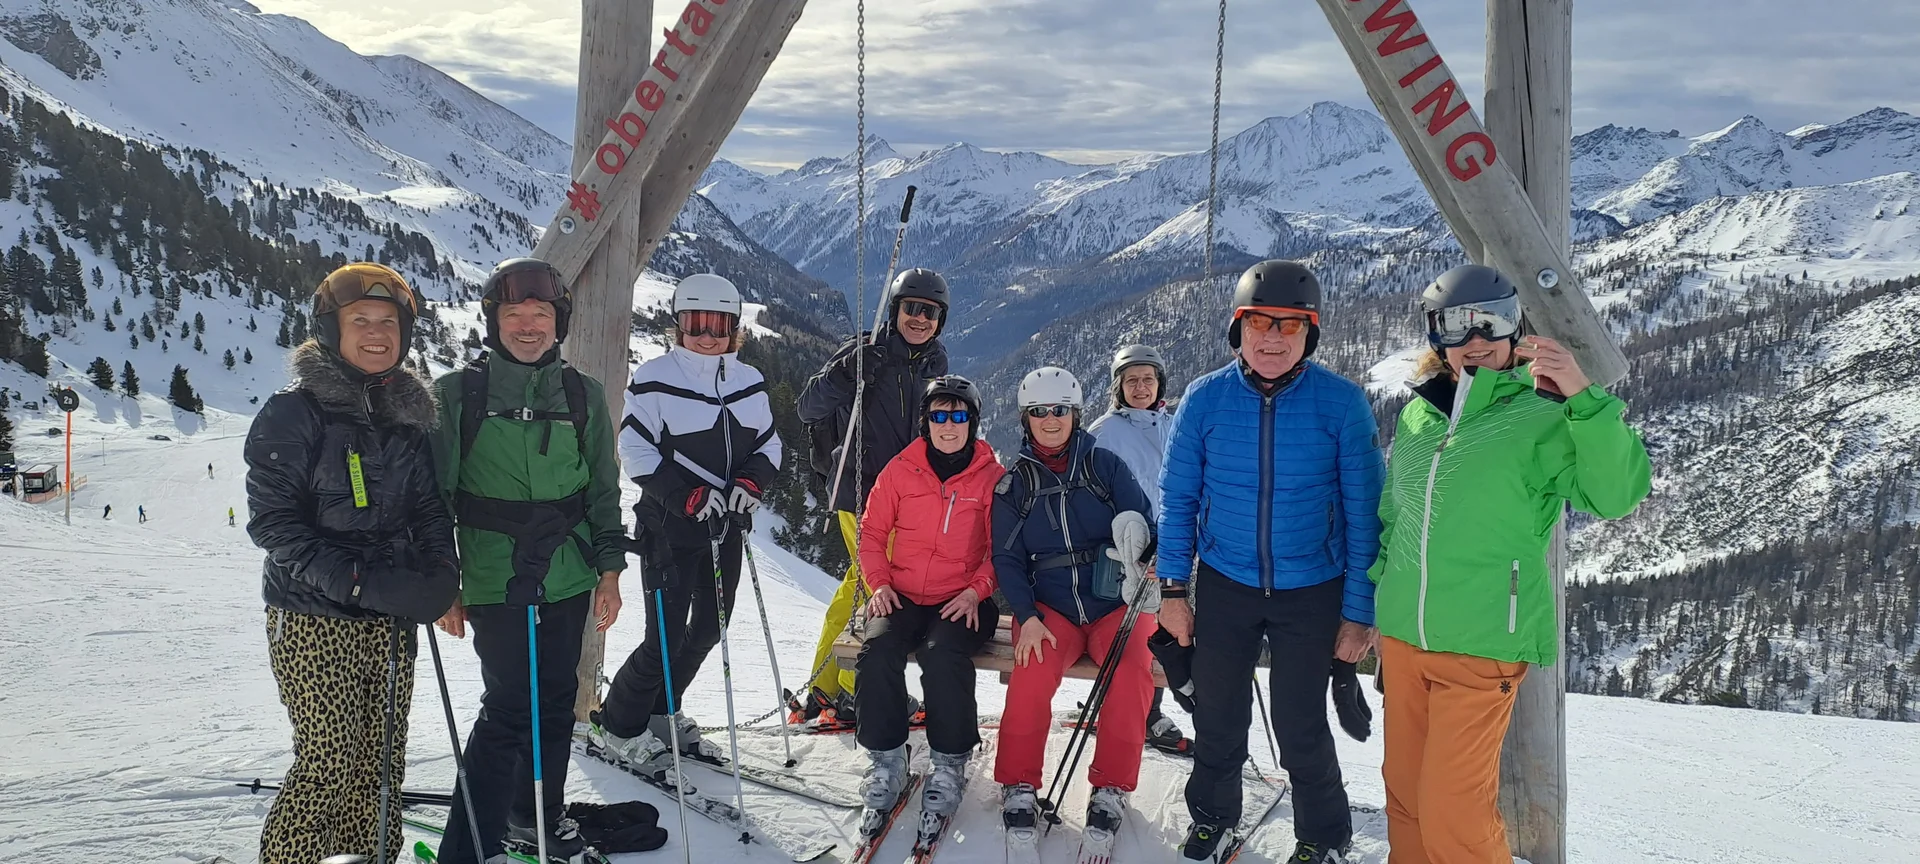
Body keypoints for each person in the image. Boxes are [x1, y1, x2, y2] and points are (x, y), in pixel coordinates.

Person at [1371, 265, 1649, 864]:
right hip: (1401, 638)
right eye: (1455, 327)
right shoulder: (1421, 414)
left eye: (1490, 322)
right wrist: (1379, 599)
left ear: (1515, 323)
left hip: (1482, 641)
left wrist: (1583, 398)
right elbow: (1395, 517)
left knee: (1455, 812)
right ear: (1436, 337)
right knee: (1406, 799)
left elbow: (1616, 495)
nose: (1475, 340)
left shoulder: (1544, 411)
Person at [1157, 259, 1384, 864]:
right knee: (1219, 717)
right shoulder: (1205, 400)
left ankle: (1323, 836)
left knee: (1300, 724)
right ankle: (1213, 817)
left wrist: (1359, 613)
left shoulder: (1342, 405)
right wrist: (1174, 593)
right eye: (1260, 322)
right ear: (1239, 329)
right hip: (1226, 583)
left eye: (1291, 324)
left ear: (1310, 333)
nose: (1274, 337)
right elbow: (1177, 500)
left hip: (1312, 588)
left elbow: (1366, 514)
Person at [244, 262, 458, 864]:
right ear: (331, 329)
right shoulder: (294, 412)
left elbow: (427, 507)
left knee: (381, 762)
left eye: (388, 321)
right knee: (328, 762)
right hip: (314, 616)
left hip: (388, 617)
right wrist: (359, 582)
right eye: (359, 320)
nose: (375, 332)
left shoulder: (406, 416)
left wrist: (443, 569)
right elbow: (275, 526)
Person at [430, 258, 630, 864]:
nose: (527, 325)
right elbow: (435, 497)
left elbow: (602, 489)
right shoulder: (455, 395)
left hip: (570, 573)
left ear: (557, 321)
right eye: (513, 313)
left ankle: (536, 816)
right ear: (493, 321)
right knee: (510, 708)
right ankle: (469, 850)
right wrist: (446, 585)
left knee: (557, 698)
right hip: (495, 578)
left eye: (540, 313)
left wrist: (610, 570)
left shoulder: (581, 394)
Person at [590, 273, 780, 774]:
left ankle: (659, 713)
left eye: (718, 323)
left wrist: (751, 483)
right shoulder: (655, 377)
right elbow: (635, 448)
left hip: (724, 528)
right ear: (678, 325)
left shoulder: (749, 381)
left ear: (734, 327)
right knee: (665, 638)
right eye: (695, 322)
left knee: (709, 630)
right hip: (671, 528)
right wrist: (684, 495)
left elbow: (769, 445)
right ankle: (618, 725)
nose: (706, 334)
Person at [991, 367, 1158, 855]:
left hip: (1113, 603)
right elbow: (1007, 556)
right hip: (1051, 608)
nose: (1049, 420)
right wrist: (1027, 615)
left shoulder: (1104, 466)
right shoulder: (1015, 484)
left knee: (1131, 671)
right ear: (1025, 418)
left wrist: (1149, 554)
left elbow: (1146, 521)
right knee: (1032, 668)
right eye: (1038, 412)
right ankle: (1019, 782)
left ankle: (1111, 788)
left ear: (1075, 414)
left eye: (1059, 410)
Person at [792, 268, 952, 727]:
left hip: (910, 494)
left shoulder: (935, 362)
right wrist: (846, 373)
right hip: (860, 490)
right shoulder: (865, 353)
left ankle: (825, 687)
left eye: (930, 312)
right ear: (896, 309)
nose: (919, 318)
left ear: (940, 320)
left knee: (858, 584)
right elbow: (808, 407)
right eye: (912, 308)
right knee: (876, 584)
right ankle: (851, 690)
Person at [852, 375, 1003, 835]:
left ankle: (948, 761)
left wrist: (977, 589)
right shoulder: (900, 470)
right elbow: (872, 534)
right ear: (926, 421)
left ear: (973, 422)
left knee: (942, 657)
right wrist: (878, 584)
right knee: (876, 654)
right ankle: (887, 759)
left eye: (959, 415)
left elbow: (1005, 550)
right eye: (939, 415)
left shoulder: (991, 476)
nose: (949, 424)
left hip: (962, 598)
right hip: (900, 593)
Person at [1086, 342, 1192, 757]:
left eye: (1148, 379)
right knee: (1136, 630)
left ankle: (1153, 706)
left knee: (1170, 626)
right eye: (1132, 381)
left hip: (1176, 544)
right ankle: (1139, 710)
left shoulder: (1174, 425)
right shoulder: (1104, 432)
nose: (1141, 387)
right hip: (1130, 547)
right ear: (1119, 387)